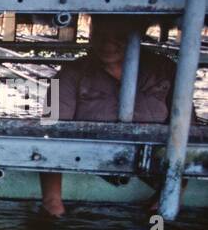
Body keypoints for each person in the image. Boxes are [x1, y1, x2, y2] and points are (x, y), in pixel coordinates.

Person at [40, 14, 192, 215]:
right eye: (100, 35)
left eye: (119, 36)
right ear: (91, 33)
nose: (108, 44)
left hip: (153, 169)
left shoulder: (166, 70)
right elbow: (50, 133)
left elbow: (186, 132)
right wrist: (53, 202)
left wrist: (170, 194)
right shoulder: (68, 74)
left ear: (139, 35)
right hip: (86, 160)